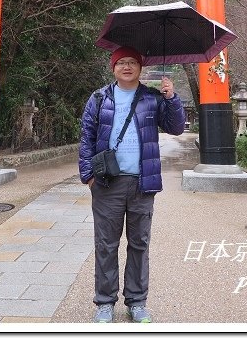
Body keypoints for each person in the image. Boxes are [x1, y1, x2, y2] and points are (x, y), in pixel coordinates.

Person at [78, 46, 186, 323]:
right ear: (113, 68)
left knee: (139, 243)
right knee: (106, 244)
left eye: (132, 63)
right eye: (121, 62)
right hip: (107, 183)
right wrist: (88, 175)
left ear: (141, 68)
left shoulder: (152, 97)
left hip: (142, 182)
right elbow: (87, 136)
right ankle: (104, 302)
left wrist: (171, 98)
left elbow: (175, 128)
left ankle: (137, 301)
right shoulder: (100, 97)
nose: (126, 67)